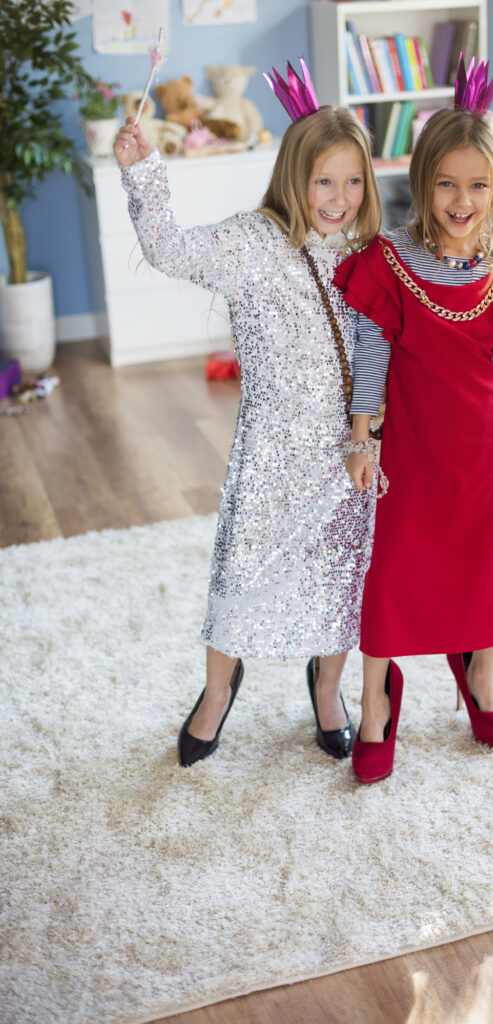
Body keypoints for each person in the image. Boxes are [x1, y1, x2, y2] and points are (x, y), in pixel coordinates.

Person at [114, 59, 383, 767]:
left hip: (348, 450)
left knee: (343, 579)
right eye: (324, 180)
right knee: (239, 576)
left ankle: (328, 688)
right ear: (294, 176)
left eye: (353, 181)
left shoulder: (368, 252)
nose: (339, 197)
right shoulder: (250, 242)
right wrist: (144, 173)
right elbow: (168, 247)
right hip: (270, 451)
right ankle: (217, 687)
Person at [333, 58, 493, 784]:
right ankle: (376, 699)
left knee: (482, 570)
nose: (461, 200)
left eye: (478, 186)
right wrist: (362, 434)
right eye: (447, 183)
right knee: (394, 574)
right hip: (413, 444)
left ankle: (480, 680)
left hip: (484, 446)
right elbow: (371, 348)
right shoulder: (391, 260)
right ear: (424, 181)